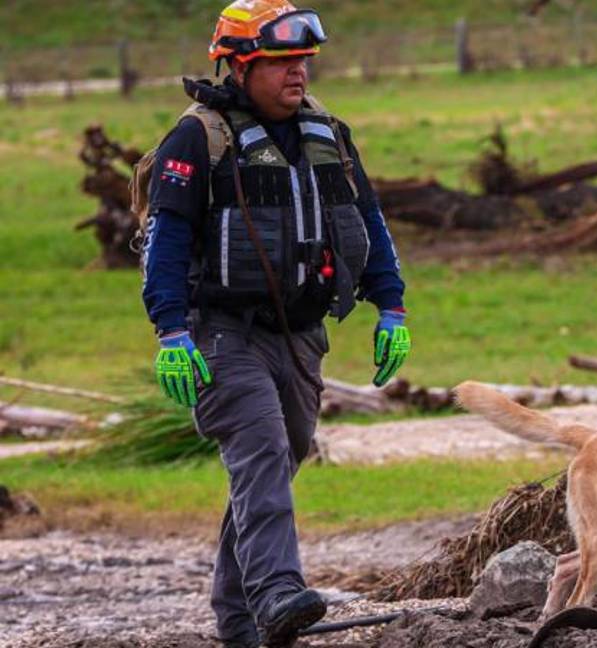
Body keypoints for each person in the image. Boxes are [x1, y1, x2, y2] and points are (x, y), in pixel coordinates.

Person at [139, 2, 410, 645]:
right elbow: (166, 241)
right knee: (260, 451)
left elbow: (369, 223)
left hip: (302, 336)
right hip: (221, 335)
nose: (298, 74)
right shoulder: (197, 138)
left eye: (303, 62)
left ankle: (239, 625)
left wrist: (390, 306)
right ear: (238, 66)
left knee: (273, 466)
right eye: (281, 62)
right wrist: (171, 332)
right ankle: (276, 592)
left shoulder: (329, 133)